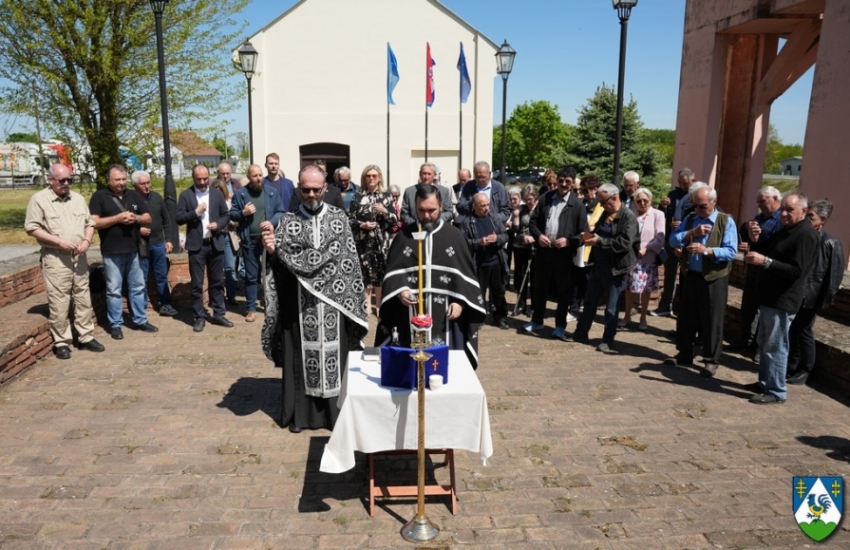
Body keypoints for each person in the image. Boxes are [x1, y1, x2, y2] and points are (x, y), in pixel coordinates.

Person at [260, 164, 369, 433]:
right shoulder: (287, 222)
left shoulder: (340, 220)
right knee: (302, 359)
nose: (311, 194)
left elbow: (349, 266)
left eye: (316, 189)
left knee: (335, 358)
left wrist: (350, 301)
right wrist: (273, 252)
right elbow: (281, 270)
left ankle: (336, 415)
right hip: (300, 307)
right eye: (306, 189)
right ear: (299, 187)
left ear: (325, 189)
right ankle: (303, 417)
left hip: (334, 307)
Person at [376, 185, 487, 368]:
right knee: (410, 370)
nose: (426, 216)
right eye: (421, 210)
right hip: (409, 316)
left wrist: (460, 303)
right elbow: (393, 275)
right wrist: (401, 290)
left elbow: (467, 280)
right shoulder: (404, 237)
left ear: (441, 206)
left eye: (431, 210)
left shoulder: (455, 237)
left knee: (445, 370)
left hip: (446, 320)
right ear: (414, 206)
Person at [744, 192, 819, 404]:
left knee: (775, 346)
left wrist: (765, 261)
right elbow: (768, 251)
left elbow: (796, 270)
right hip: (771, 297)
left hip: (784, 300)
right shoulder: (787, 230)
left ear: (803, 211)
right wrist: (756, 239)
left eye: (789, 210)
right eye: (783, 209)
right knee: (765, 343)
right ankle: (765, 382)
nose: (783, 214)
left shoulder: (805, 234)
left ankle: (776, 391)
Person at [24, 163, 105, 359]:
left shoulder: (77, 199)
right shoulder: (39, 200)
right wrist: (59, 241)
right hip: (56, 258)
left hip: (79, 256)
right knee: (59, 301)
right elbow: (32, 228)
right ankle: (62, 341)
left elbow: (90, 223)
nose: (66, 183)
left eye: (70, 179)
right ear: (50, 180)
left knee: (82, 297)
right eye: (62, 180)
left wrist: (87, 240)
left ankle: (85, 337)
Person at [664, 186, 738, 375]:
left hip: (714, 278)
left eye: (702, 206)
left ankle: (710, 359)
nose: (698, 210)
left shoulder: (725, 221)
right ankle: (684, 354)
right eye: (695, 205)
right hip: (691, 275)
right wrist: (690, 234)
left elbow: (731, 251)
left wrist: (707, 251)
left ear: (714, 202)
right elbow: (673, 240)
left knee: (712, 319)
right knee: (686, 316)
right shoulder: (690, 219)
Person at [89, 164, 158, 340]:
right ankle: (116, 324)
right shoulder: (100, 196)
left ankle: (140, 320)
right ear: (109, 180)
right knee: (114, 289)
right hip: (112, 251)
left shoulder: (133, 195)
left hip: (133, 249)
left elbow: (148, 217)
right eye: (117, 180)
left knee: (137, 286)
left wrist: (134, 217)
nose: (121, 183)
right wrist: (117, 219)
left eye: (123, 179)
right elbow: (94, 222)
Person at [568, 184, 639, 353]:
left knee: (611, 307)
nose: (600, 204)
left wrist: (599, 241)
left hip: (615, 268)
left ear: (614, 198)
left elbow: (624, 244)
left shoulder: (628, 217)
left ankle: (608, 340)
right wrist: (591, 234)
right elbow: (600, 232)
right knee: (590, 301)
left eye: (602, 201)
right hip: (599, 265)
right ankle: (581, 332)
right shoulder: (607, 213)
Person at [522, 166, 587, 340]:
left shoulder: (577, 205)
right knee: (539, 287)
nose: (563, 184)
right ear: (556, 181)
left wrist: (569, 241)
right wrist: (539, 236)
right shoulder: (545, 198)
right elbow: (533, 223)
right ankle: (537, 320)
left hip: (564, 255)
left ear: (573, 183)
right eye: (561, 181)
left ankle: (560, 326)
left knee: (563, 290)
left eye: (567, 182)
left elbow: (583, 234)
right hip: (544, 251)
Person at [785, 200, 845, 385]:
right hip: (796, 293)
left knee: (804, 331)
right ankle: (792, 365)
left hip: (812, 295)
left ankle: (805, 369)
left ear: (823, 219)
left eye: (811, 216)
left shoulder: (830, 242)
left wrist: (826, 298)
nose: (806, 218)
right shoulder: (802, 235)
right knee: (793, 329)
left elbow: (834, 274)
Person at [176, 164, 235, 332]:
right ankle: (199, 316)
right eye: (198, 179)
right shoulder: (186, 195)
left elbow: (226, 214)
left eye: (205, 178)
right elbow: (179, 218)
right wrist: (195, 212)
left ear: (209, 176)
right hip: (197, 246)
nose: (202, 182)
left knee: (217, 281)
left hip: (215, 243)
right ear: (193, 178)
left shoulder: (216, 194)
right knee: (197, 284)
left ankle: (218, 314)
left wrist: (219, 224)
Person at [230, 164, 286, 322]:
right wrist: (243, 213)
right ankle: (251, 309)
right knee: (251, 276)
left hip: (268, 240)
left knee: (271, 274)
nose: (259, 178)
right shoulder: (241, 194)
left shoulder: (272, 193)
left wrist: (271, 222)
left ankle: (272, 306)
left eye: (260, 175)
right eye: (255, 175)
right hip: (250, 241)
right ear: (248, 177)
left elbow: (281, 211)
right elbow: (232, 215)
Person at [731, 186, 783, 353]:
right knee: (748, 308)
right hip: (753, 269)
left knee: (763, 312)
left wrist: (756, 241)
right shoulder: (759, 218)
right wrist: (747, 244)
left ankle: (757, 346)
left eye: (763, 201)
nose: (760, 205)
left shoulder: (781, 220)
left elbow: (776, 247)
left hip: (769, 271)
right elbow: (753, 241)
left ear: (775, 199)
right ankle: (745, 341)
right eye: (758, 202)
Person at [348, 165, 397, 315]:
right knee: (366, 273)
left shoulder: (386, 196)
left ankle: (379, 304)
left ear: (379, 178)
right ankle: (367, 305)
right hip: (363, 242)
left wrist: (385, 211)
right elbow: (349, 219)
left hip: (381, 243)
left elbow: (395, 220)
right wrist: (362, 224)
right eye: (368, 176)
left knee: (380, 273)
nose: (371, 178)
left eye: (374, 176)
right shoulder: (357, 196)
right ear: (364, 178)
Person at [461, 193, 510, 330]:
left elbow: (505, 236)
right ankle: (479, 317)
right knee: (479, 292)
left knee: (499, 291)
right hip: (479, 263)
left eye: (488, 205)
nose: (486, 208)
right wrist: (479, 242)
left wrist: (497, 239)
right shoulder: (467, 222)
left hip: (496, 261)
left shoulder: (494, 218)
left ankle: (500, 317)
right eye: (483, 206)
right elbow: (463, 242)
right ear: (474, 206)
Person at [132, 170, 177, 317]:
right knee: (141, 278)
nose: (147, 186)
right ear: (134, 185)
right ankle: (141, 308)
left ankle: (165, 304)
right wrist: (139, 230)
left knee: (161, 275)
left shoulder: (157, 198)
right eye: (143, 183)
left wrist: (169, 239)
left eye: (148, 182)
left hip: (158, 243)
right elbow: (125, 224)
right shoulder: (131, 200)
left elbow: (166, 220)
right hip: (140, 245)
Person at [619, 188, 665, 330]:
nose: (642, 203)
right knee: (630, 288)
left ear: (651, 201)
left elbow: (660, 237)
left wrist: (647, 249)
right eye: (639, 201)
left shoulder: (658, 214)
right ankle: (627, 315)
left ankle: (643, 317)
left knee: (646, 289)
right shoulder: (631, 215)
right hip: (632, 258)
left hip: (648, 258)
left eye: (645, 200)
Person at [653, 168, 695, 317]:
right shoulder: (673, 194)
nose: (683, 186)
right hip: (672, 239)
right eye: (680, 183)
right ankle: (665, 305)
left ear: (692, 181)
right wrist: (662, 205)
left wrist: (682, 224)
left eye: (685, 183)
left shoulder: (695, 196)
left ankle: (682, 309)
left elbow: (696, 217)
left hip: (688, 240)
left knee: (686, 275)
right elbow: (663, 215)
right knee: (670, 273)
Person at [571, 175, 604, 320]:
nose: (582, 193)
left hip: (594, 251)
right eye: (580, 190)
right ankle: (573, 309)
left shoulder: (602, 207)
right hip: (580, 248)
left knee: (590, 282)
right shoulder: (581, 205)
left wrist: (593, 228)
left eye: (585, 191)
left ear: (594, 190)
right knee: (576, 280)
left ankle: (588, 312)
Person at [211, 178, 239, 305]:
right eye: (215, 192)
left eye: (220, 192)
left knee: (230, 268)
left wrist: (227, 217)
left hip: (228, 237)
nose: (218, 195)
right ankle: (217, 297)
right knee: (216, 270)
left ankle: (231, 295)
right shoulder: (209, 204)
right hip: (215, 237)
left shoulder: (230, 203)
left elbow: (237, 221)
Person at [456, 161, 511, 225]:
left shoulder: (499, 188)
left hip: (494, 226)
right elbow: (460, 207)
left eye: (483, 177)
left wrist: (493, 219)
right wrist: (473, 203)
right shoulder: (469, 186)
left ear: (489, 174)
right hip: (473, 226)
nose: (480, 180)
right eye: (477, 177)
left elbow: (506, 211)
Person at [512, 185, 538, 316]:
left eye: (531, 199)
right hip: (520, 246)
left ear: (536, 197)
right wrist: (516, 217)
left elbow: (544, 228)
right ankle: (521, 304)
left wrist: (534, 238)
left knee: (534, 277)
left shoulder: (540, 210)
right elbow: (516, 230)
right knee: (520, 276)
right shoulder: (522, 209)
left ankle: (534, 306)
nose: (528, 202)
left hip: (534, 247)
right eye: (526, 199)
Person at [505, 187, 522, 281]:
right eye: (510, 199)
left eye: (514, 199)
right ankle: (506, 281)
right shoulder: (506, 209)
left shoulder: (523, 209)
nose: (512, 201)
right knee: (507, 259)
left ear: (519, 198)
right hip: (508, 235)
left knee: (518, 262)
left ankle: (517, 283)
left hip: (519, 238)